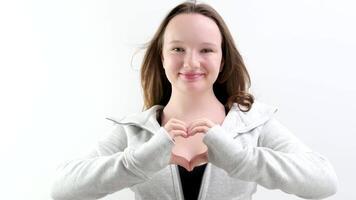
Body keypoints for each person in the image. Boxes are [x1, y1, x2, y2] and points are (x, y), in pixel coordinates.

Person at [50, 1, 338, 200]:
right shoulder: (134, 131)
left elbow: (324, 181)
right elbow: (62, 188)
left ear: (222, 59)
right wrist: (136, 164)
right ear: (161, 57)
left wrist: (241, 160)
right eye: (177, 48)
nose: (191, 62)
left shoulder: (254, 124)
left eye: (206, 50)